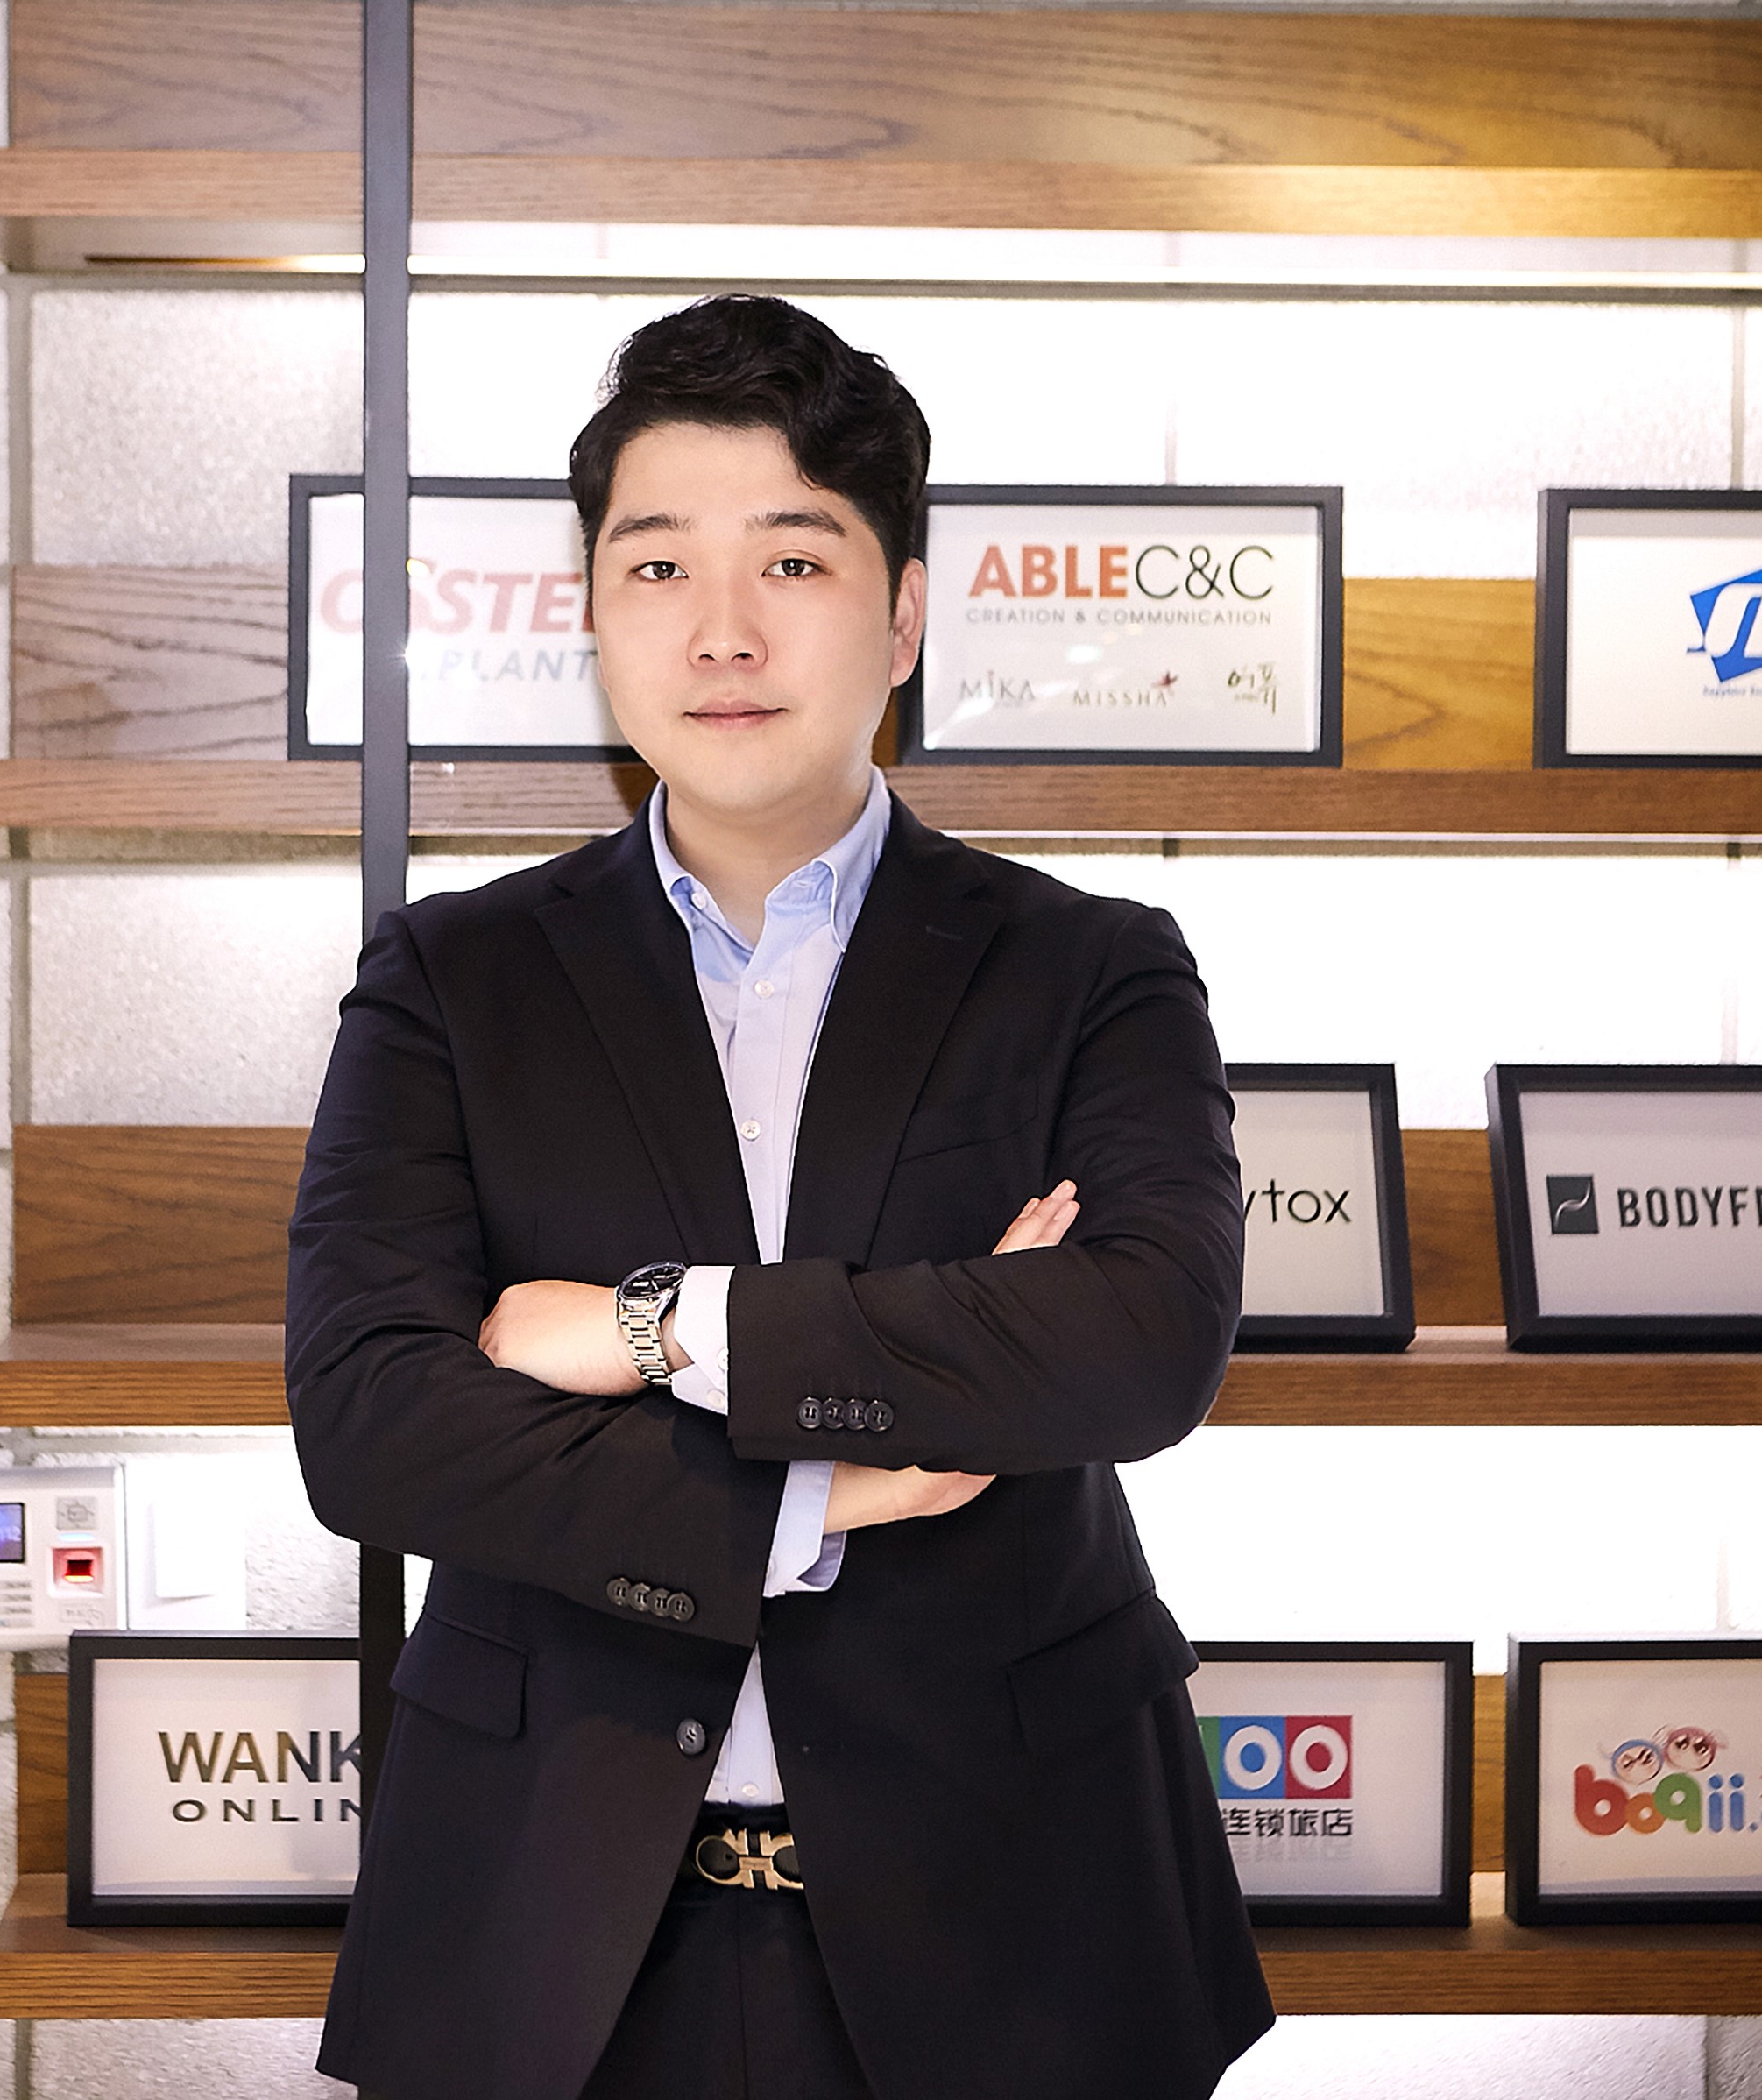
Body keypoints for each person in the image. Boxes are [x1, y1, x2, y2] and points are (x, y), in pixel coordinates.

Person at [287, 294, 1270, 2100]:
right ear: (591, 612)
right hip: (551, 1922)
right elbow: (370, 1424)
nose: (721, 628)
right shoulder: (451, 978)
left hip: (1018, 1919)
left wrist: (654, 1326)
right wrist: (827, 1484)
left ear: (902, 614)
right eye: (655, 565)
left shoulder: (1088, 967)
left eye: (793, 561)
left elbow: (1137, 1343)